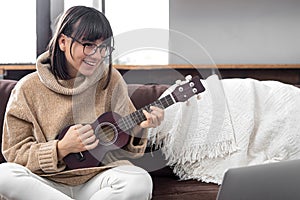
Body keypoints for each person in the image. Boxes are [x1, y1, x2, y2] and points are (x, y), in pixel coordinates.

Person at [0, 6, 164, 200]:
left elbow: (124, 142)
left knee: (139, 180)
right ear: (63, 41)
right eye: (88, 45)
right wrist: (61, 148)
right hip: (44, 182)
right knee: (4, 175)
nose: (97, 55)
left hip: (98, 179)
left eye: (104, 47)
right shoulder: (28, 88)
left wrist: (140, 128)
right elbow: (14, 153)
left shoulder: (111, 80)